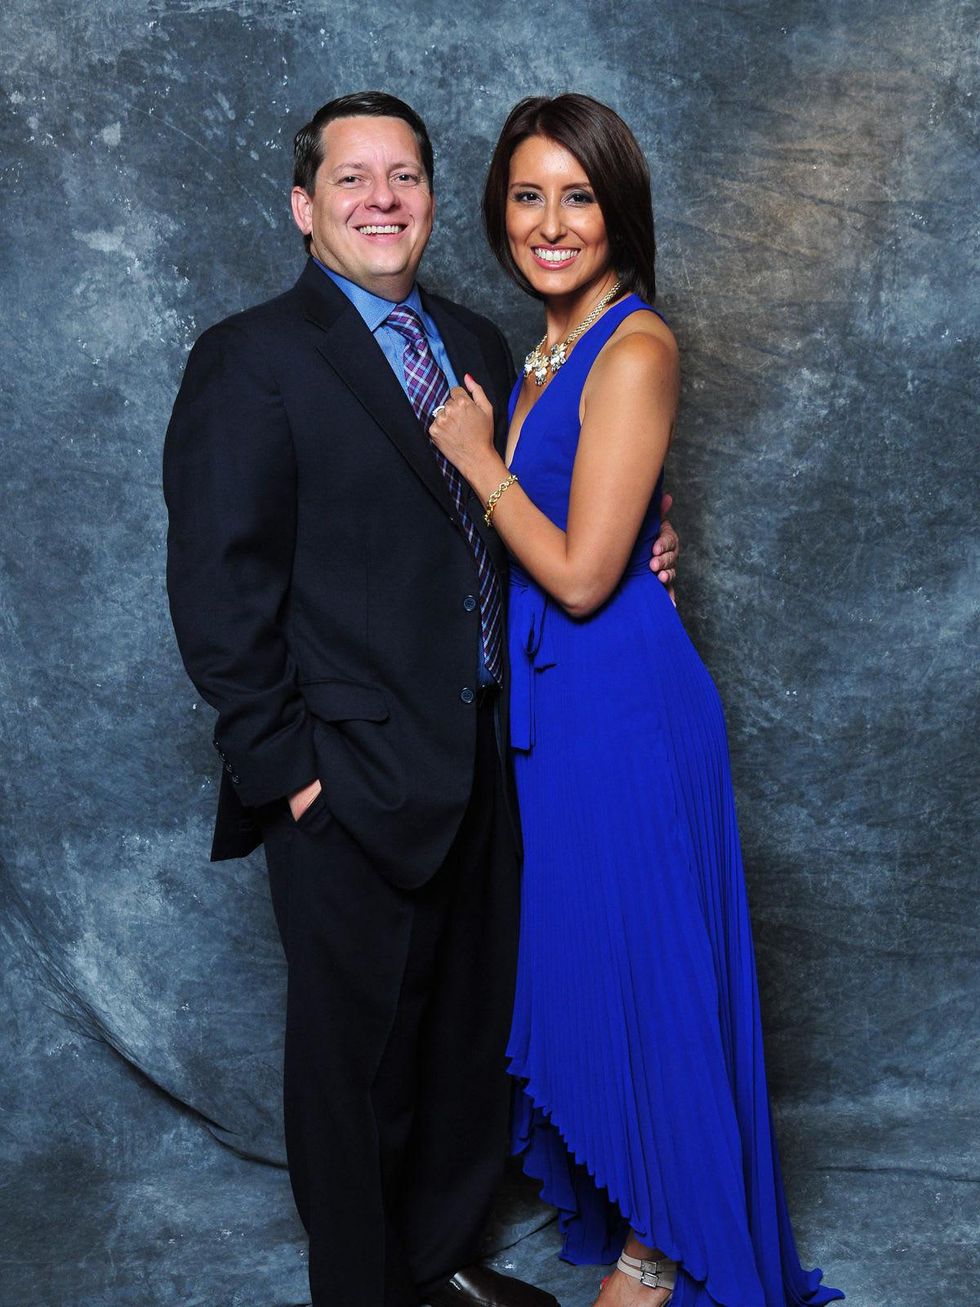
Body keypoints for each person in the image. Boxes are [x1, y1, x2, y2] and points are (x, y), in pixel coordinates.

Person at [163, 91, 679, 1307]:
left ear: (434, 201)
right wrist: (290, 774)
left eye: (403, 175)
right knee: (353, 1065)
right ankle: (362, 1287)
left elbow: (532, 517)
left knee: (462, 1042)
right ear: (304, 208)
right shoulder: (251, 358)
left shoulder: (476, 343)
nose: (381, 198)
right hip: (345, 779)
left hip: (491, 763)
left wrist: (645, 542)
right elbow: (218, 594)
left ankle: (441, 1261)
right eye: (351, 179)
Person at [429, 94, 845, 1307]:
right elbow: (590, 527)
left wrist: (480, 461)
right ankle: (641, 1219)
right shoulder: (541, 352)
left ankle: (656, 1256)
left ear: (618, 212)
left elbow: (577, 573)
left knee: (647, 969)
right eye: (527, 195)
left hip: (621, 714)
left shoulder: (635, 346)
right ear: (499, 212)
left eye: (578, 196)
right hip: (559, 714)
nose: (550, 222)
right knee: (597, 964)